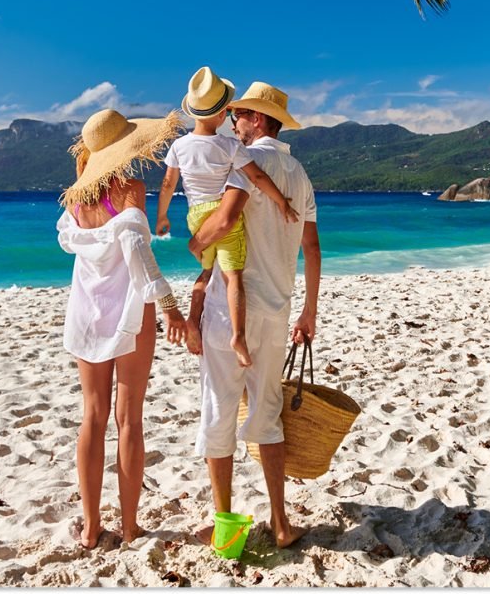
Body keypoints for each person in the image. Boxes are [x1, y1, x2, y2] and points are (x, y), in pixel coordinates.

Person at [186, 80, 320, 551]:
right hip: (278, 311)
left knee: (220, 410)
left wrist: (195, 244)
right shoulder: (299, 173)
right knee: (268, 415)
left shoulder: (246, 162)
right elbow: (311, 247)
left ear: (257, 120)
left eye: (239, 115)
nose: (233, 122)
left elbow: (223, 221)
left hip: (232, 312)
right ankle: (281, 524)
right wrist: (309, 310)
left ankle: (227, 533)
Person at [56, 108, 189, 548]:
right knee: (128, 419)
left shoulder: (75, 198)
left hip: (87, 312)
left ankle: (92, 527)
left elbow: (73, 243)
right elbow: (135, 246)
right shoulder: (129, 187)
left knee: (92, 418)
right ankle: (130, 527)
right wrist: (168, 304)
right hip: (131, 314)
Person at [156, 66, 298, 368]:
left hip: (195, 215)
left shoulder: (179, 146)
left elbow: (168, 184)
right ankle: (237, 335)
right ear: (222, 115)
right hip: (219, 213)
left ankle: (194, 318)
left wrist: (162, 217)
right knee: (233, 278)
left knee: (206, 273)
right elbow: (257, 177)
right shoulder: (230, 146)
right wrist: (281, 202)